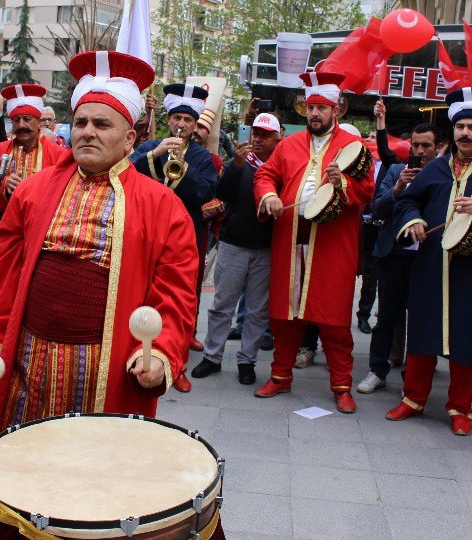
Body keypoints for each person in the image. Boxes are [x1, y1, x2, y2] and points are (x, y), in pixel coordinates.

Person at [0, 50, 197, 430]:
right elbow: (5, 273)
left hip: (104, 364)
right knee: (19, 459)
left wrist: (160, 355)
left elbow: (175, 294)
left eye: (102, 124)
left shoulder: (164, 206)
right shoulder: (33, 190)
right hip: (29, 356)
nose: (87, 131)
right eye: (80, 122)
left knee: (91, 469)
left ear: (129, 139)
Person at [387, 88, 472, 435]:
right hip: (431, 265)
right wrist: (413, 220)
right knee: (423, 329)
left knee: (468, 336)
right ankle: (413, 398)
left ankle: (460, 407)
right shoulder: (434, 168)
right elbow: (405, 203)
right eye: (460, 126)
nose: (465, 133)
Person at [252, 71, 376, 413]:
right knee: (284, 316)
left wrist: (343, 185)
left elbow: (367, 189)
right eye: (310, 107)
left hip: (333, 244)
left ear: (337, 111)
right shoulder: (288, 144)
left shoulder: (355, 147)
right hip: (290, 239)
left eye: (321, 108)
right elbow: (264, 175)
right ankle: (280, 376)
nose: (314, 114)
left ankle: (341, 386)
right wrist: (269, 196)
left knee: (334, 319)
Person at [132, 83, 219, 390]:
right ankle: (140, 356)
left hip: (185, 237)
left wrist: (182, 168)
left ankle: (177, 366)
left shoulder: (202, 156)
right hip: (147, 233)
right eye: (177, 118)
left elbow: (206, 192)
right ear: (169, 119)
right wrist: (155, 154)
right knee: (144, 295)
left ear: (196, 125)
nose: (181, 125)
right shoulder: (148, 147)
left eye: (188, 120)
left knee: (181, 300)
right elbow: (126, 172)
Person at [191, 113, 280, 385]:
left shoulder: (282, 167)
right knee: (221, 306)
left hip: (266, 249)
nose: (258, 139)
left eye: (265, 135)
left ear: (278, 139)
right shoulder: (240, 163)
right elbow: (222, 193)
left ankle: (246, 361)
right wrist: (236, 165)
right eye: (256, 133)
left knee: (256, 311)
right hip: (233, 245)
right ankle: (213, 356)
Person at [357, 123, 445, 394]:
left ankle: (414, 374)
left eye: (425, 146)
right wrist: (397, 189)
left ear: (438, 147)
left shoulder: (445, 176)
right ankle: (377, 370)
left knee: (420, 318)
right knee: (386, 316)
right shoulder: (396, 170)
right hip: (393, 256)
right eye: (415, 145)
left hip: (427, 258)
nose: (418, 151)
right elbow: (377, 207)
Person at [0, 84, 67, 319]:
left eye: (27, 119)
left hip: (43, 236)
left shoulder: (58, 154)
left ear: (38, 121)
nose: (21, 125)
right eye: (16, 120)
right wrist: (4, 186)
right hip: (4, 236)